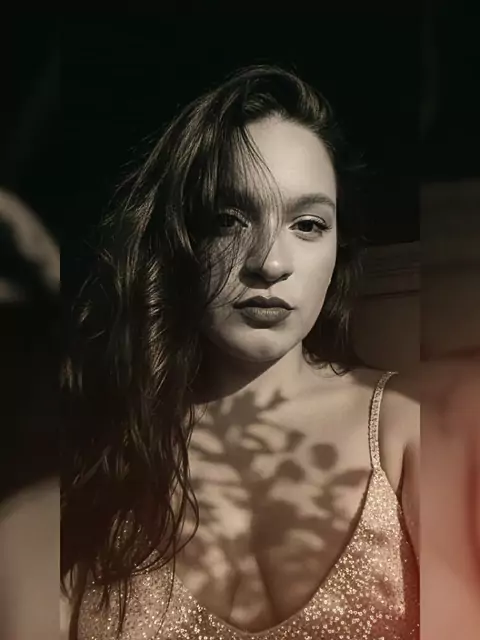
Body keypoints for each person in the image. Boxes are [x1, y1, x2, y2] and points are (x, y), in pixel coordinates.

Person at [61, 65, 419, 639]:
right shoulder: (104, 452)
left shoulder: (407, 430)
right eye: (228, 219)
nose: (269, 263)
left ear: (339, 247)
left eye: (308, 224)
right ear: (178, 240)